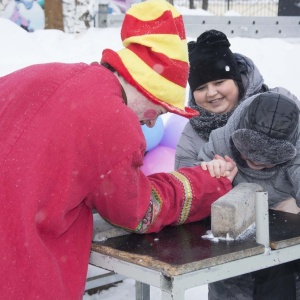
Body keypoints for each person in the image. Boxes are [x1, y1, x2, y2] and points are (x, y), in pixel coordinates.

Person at [0, 1, 239, 299]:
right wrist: (206, 183)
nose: (152, 120)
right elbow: (138, 210)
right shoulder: (113, 119)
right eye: (161, 109)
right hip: (23, 274)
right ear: (149, 88)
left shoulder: (38, 74)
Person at [199, 91, 300, 300]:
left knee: (278, 268)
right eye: (250, 154)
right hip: (230, 252)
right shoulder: (220, 141)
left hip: (285, 261)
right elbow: (188, 197)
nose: (258, 162)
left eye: (268, 160)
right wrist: (210, 180)